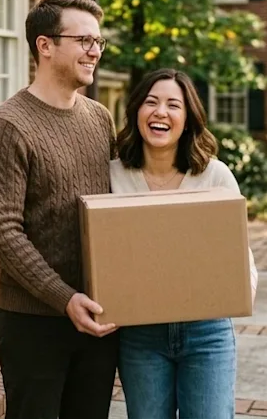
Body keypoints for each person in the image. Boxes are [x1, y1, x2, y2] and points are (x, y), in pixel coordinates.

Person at [0, 0, 120, 419]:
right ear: (45, 45)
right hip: (33, 321)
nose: (94, 51)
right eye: (83, 40)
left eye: (98, 41)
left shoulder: (100, 119)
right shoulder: (7, 127)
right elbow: (3, 234)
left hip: (96, 315)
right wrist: (63, 298)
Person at [110, 68, 258, 419]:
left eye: (173, 105)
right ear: (136, 112)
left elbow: (238, 253)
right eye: (151, 102)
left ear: (188, 119)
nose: (161, 112)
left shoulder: (214, 176)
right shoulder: (112, 176)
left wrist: (241, 291)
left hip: (206, 331)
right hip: (140, 334)